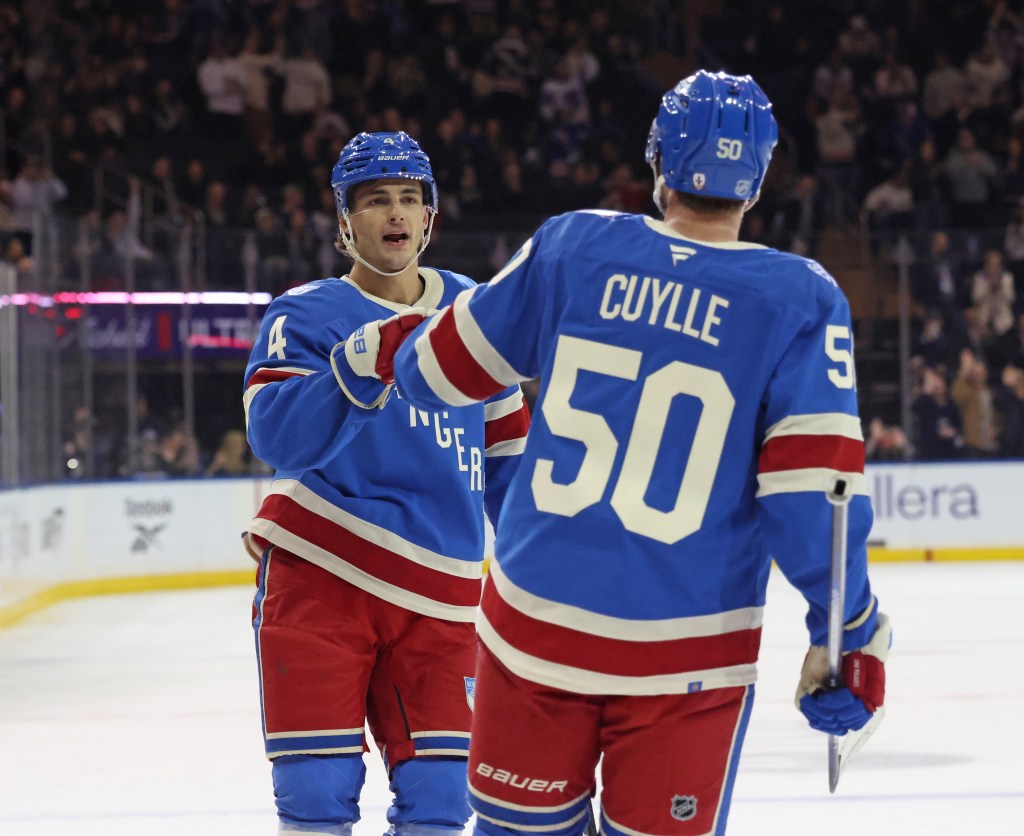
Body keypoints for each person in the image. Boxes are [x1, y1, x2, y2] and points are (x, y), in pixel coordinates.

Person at [342, 71, 891, 835]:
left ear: (657, 158)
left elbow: (439, 373)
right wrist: (851, 630)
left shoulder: (575, 244)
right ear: (760, 178)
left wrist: (387, 344)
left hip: (532, 630)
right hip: (687, 657)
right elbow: (814, 493)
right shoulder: (799, 296)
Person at [242, 131, 530, 836]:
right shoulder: (303, 314)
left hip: (443, 593)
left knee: (442, 800)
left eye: (409, 198)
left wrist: (554, 564)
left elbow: (511, 464)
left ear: (430, 216)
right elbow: (274, 438)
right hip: (322, 577)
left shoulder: (473, 315)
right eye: (375, 201)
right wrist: (355, 365)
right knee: (317, 793)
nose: (395, 214)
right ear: (345, 222)